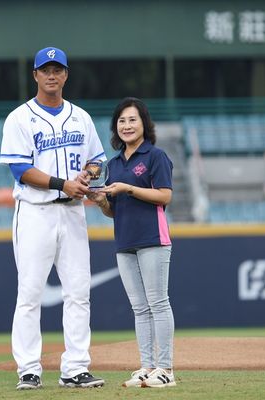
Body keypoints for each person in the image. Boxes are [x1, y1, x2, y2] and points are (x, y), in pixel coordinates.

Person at [0, 46, 106, 390]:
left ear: (66, 75)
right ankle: (28, 369)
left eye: (57, 69)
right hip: (35, 212)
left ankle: (75, 368)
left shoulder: (81, 117)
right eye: (45, 69)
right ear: (35, 75)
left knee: (79, 292)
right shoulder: (19, 118)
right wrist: (63, 183)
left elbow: (97, 160)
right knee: (30, 293)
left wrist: (87, 175)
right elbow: (20, 170)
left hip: (72, 212)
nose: (51, 75)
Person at [88, 97, 176, 388]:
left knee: (158, 303)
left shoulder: (155, 156)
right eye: (121, 121)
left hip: (153, 238)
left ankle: (166, 369)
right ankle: (147, 366)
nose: (126, 125)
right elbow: (113, 211)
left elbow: (164, 196)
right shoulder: (112, 165)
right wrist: (101, 202)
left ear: (144, 124)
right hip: (125, 241)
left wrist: (129, 188)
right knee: (140, 308)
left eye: (132, 119)